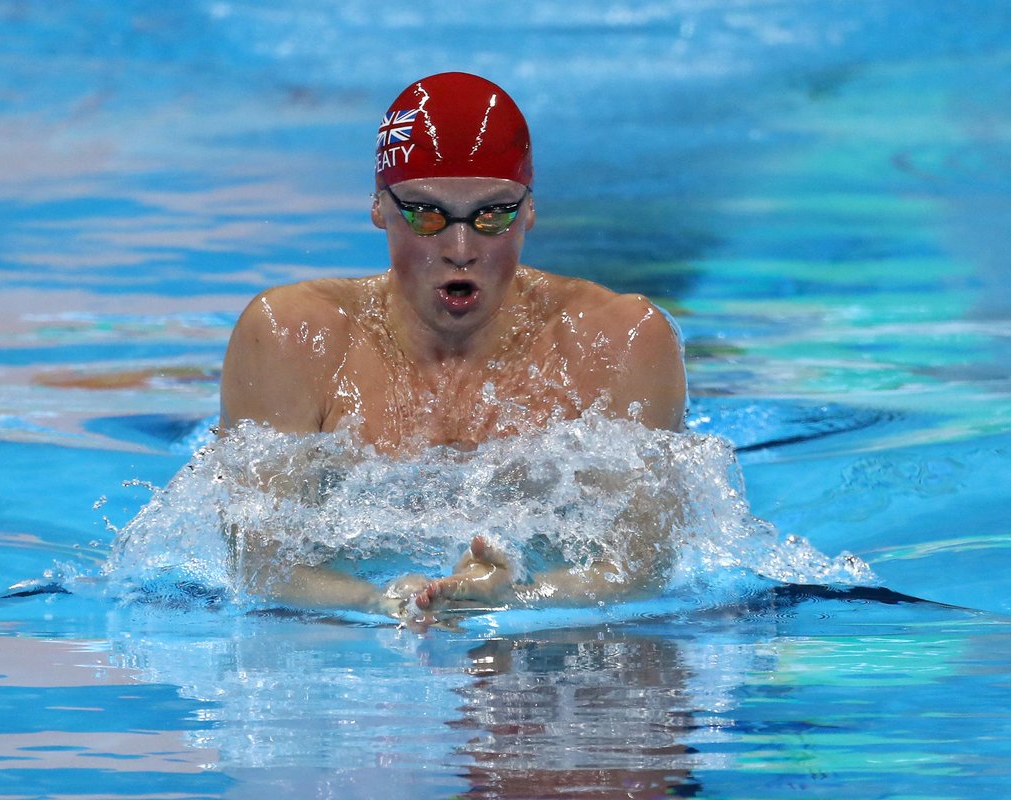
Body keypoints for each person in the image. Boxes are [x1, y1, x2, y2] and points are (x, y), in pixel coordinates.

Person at [219, 72, 687, 624]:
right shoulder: (294, 336)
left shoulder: (617, 340)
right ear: (379, 207)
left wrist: (521, 596)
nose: (460, 248)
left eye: (493, 214)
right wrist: (375, 601)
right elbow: (257, 562)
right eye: (426, 214)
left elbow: (642, 564)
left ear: (529, 210)